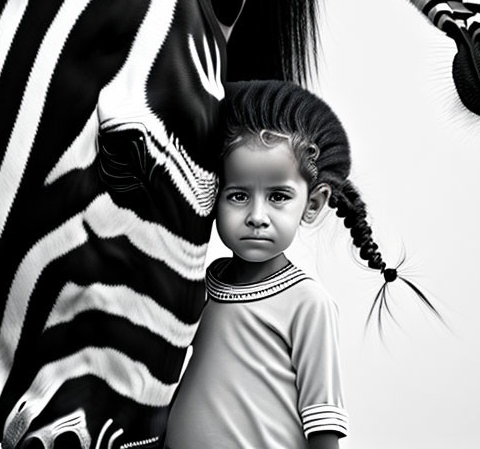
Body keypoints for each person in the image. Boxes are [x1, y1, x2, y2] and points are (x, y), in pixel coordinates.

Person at [164, 79, 426, 449]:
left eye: (278, 197)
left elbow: (323, 425)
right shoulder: (202, 286)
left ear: (313, 204)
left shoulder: (307, 304)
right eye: (238, 195)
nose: (257, 216)